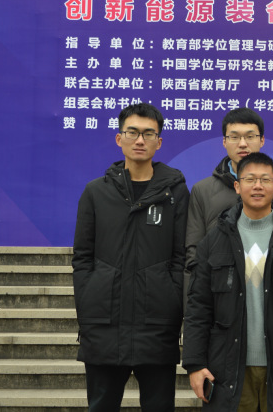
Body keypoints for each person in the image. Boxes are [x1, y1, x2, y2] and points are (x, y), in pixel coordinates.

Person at [183, 152, 273, 411]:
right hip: (228, 368)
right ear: (237, 186)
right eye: (250, 179)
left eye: (265, 179)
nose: (258, 186)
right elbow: (199, 307)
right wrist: (195, 364)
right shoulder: (214, 241)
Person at [72, 103, 189, 412]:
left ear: (159, 142)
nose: (140, 140)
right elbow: (82, 258)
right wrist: (89, 302)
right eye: (132, 132)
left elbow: (180, 257)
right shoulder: (95, 193)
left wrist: (171, 299)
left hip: (157, 324)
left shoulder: (175, 193)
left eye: (148, 134)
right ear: (119, 138)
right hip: (104, 325)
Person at [185, 108, 273, 292]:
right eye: (234, 137)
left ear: (262, 140)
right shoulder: (202, 190)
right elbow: (193, 254)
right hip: (218, 291)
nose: (243, 144)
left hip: (270, 291)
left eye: (250, 136)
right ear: (224, 141)